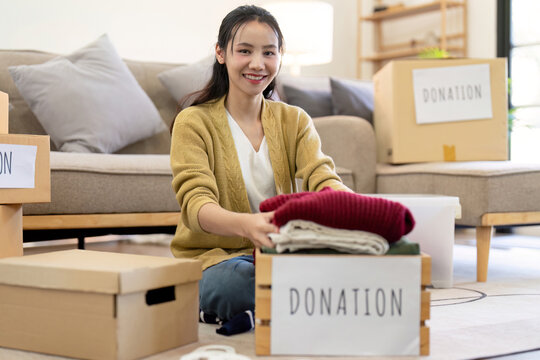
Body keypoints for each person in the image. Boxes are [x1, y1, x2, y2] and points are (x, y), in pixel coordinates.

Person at [170, 5, 350, 327]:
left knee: (347, 259)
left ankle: (279, 300)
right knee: (233, 285)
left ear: (281, 55)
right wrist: (248, 225)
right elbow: (196, 206)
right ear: (221, 53)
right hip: (217, 260)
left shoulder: (294, 120)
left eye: (269, 52)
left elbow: (321, 175)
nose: (257, 63)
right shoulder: (193, 122)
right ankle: (296, 297)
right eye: (244, 51)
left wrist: (349, 204)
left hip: (279, 253)